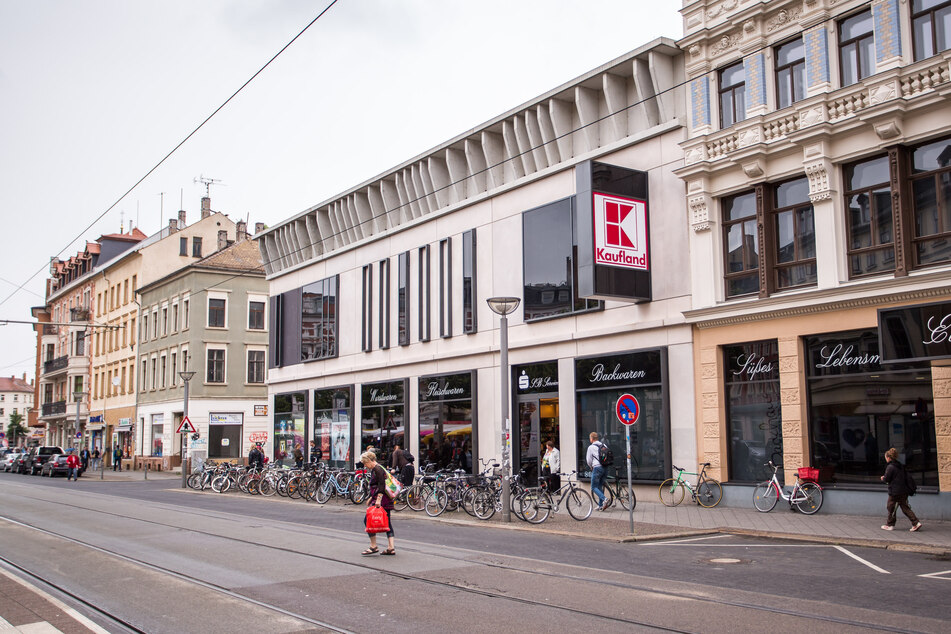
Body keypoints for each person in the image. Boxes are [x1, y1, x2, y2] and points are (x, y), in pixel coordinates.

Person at [360, 451, 395, 556]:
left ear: (370, 460)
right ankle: (391, 547)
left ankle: (374, 546)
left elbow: (381, 485)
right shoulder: (380, 468)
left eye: (365, 463)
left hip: (382, 500)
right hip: (384, 499)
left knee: (368, 520)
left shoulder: (377, 469)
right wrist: (371, 497)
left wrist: (378, 500)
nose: (365, 465)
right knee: (387, 521)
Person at [881, 447, 922, 532]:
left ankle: (890, 525)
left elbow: (886, 479)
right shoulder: (900, 465)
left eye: (886, 458)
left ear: (888, 458)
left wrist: (883, 478)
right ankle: (916, 523)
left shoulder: (890, 467)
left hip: (895, 491)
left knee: (891, 507)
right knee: (905, 507)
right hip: (904, 490)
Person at [586, 432, 607, 511]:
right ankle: (600, 505)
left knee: (593, 487)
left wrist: (591, 466)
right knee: (600, 486)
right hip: (605, 468)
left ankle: (604, 499)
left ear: (591, 439)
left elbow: (588, 460)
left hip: (597, 468)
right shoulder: (604, 445)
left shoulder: (591, 447)